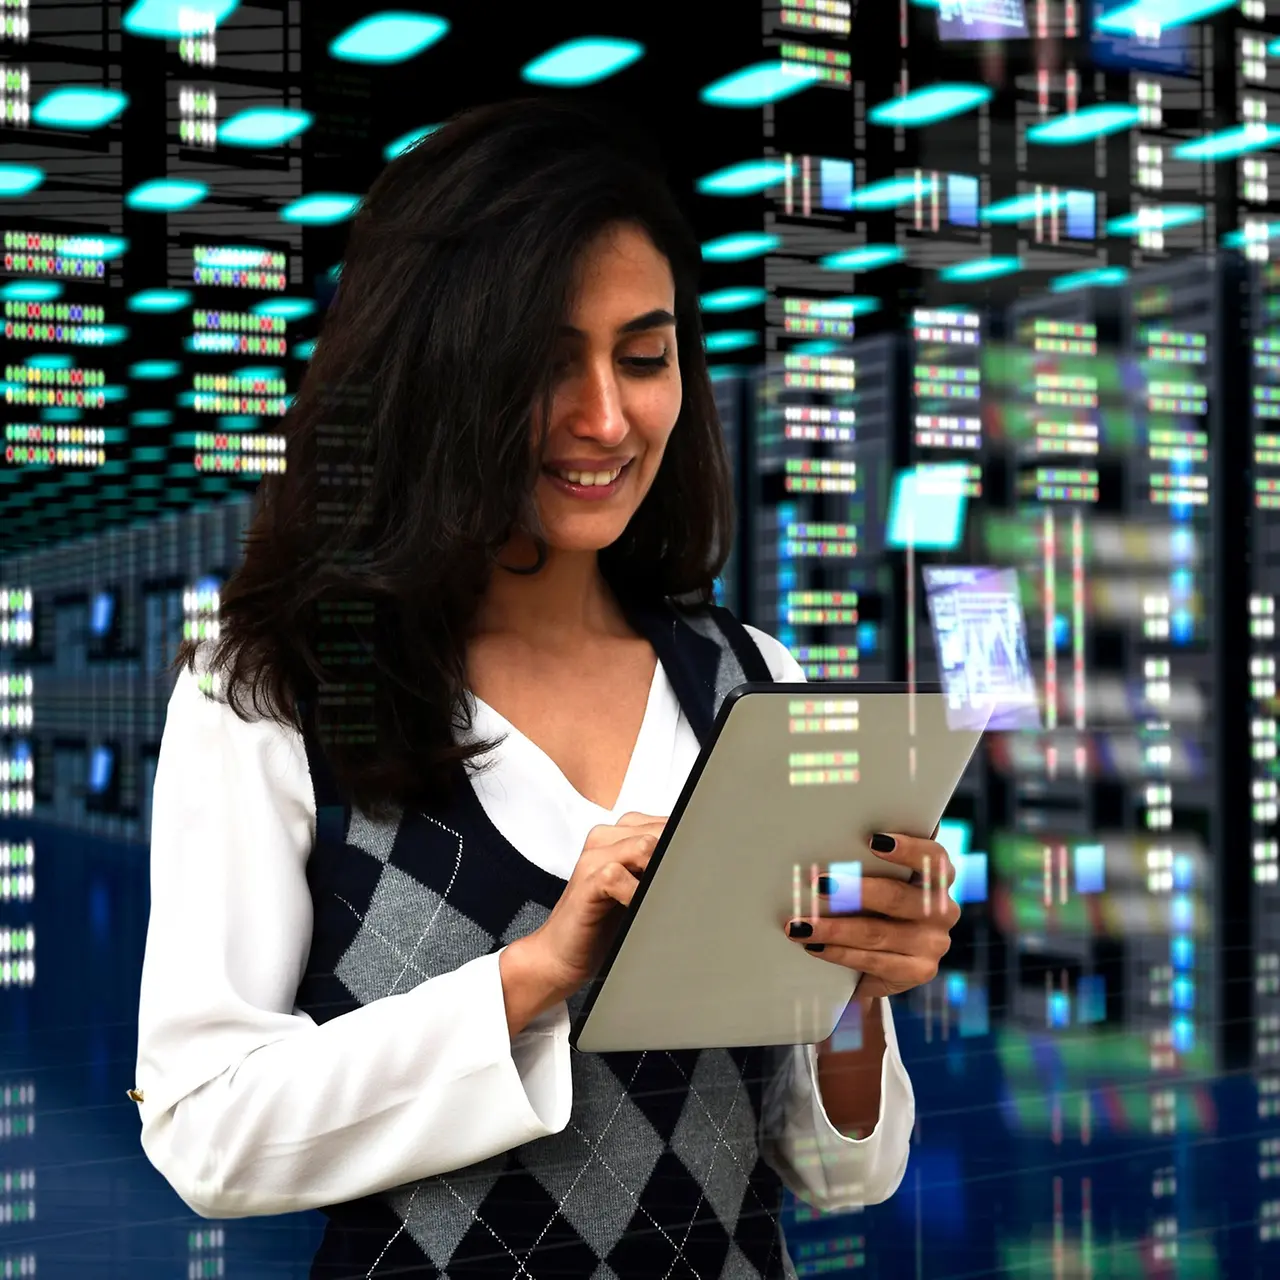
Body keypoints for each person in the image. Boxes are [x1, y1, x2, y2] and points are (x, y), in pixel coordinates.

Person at [134, 97, 961, 1278]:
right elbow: (205, 1127)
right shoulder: (272, 689)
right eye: (539, 364)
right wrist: (530, 977)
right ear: (429, 373)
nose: (606, 418)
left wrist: (854, 984)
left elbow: (838, 1172)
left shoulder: (753, 682)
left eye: (642, 354)